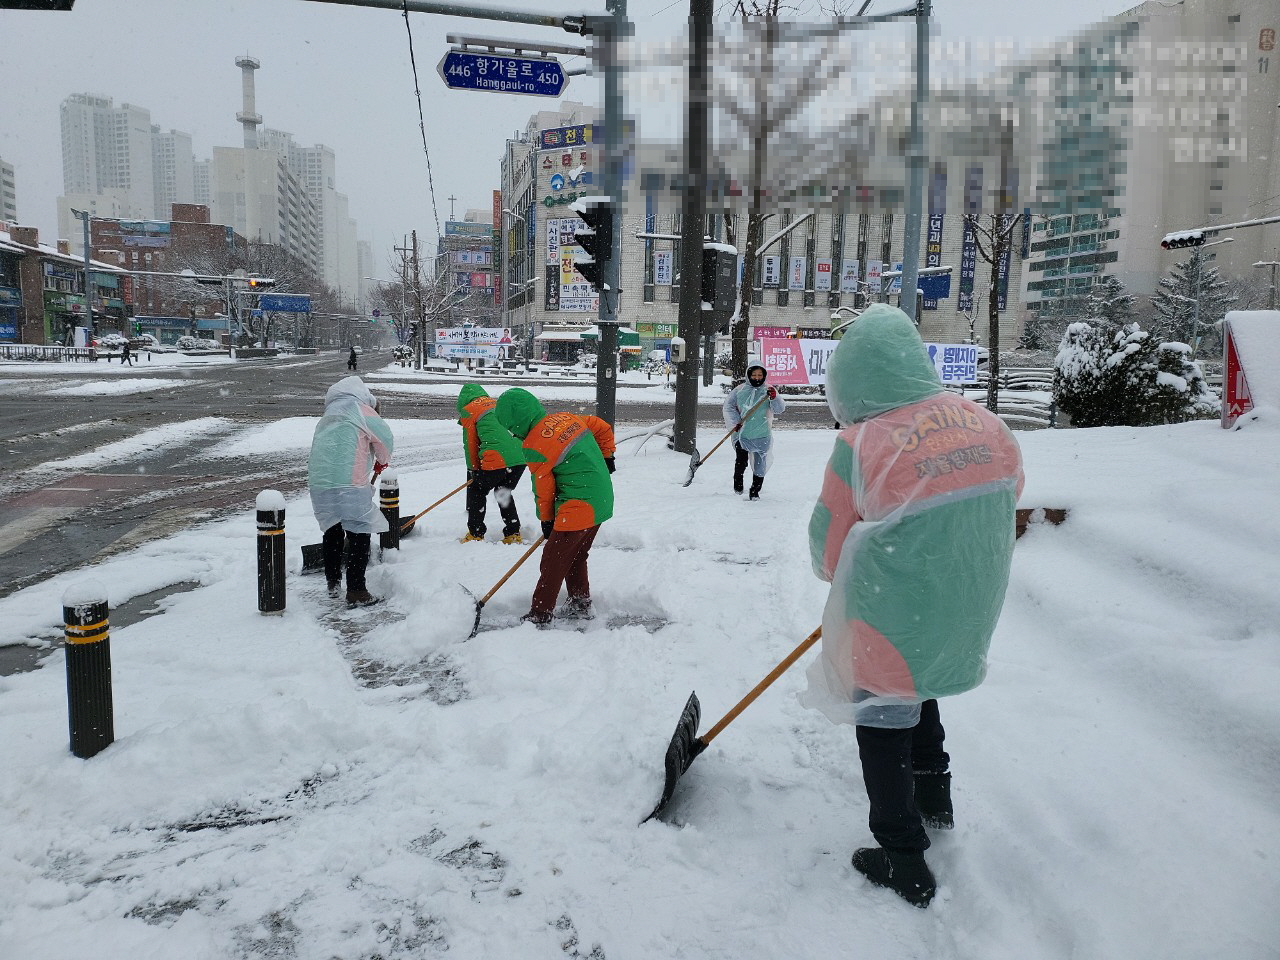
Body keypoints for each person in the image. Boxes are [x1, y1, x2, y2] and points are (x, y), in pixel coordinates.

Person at [802, 304, 1024, 908]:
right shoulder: (987, 423)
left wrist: (843, 570)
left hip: (891, 610)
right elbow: (1001, 500)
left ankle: (903, 858)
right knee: (919, 692)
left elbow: (827, 548)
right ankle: (935, 800)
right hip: (966, 602)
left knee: (882, 723)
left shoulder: (863, 441)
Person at [494, 387, 615, 625]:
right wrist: (607, 456)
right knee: (577, 555)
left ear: (515, 423)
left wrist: (547, 519)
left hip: (579, 505)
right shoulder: (567, 418)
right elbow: (602, 427)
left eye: (510, 428)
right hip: (602, 498)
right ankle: (580, 602)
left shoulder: (534, 445)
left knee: (553, 561)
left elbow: (544, 489)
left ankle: (540, 614)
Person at [308, 376, 395, 607]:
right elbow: (384, 439)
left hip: (319, 484)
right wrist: (382, 460)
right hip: (349, 484)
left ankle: (333, 582)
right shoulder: (361, 409)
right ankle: (356, 590)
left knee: (333, 531)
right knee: (359, 534)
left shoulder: (328, 415)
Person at [457, 383, 527, 544]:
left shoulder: (469, 411)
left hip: (498, 459)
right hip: (519, 458)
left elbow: (470, 445)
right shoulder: (496, 404)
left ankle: (475, 533)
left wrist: (474, 470)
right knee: (503, 492)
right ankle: (513, 532)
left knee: (476, 491)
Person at [723, 363, 785, 499]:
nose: (757, 378)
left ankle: (755, 491)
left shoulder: (769, 390)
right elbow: (729, 407)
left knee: (760, 464)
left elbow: (779, 409)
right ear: (748, 375)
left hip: (762, 433)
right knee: (741, 460)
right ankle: (738, 486)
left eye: (760, 375)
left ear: (764, 376)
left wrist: (774, 397)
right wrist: (735, 423)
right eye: (754, 375)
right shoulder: (739, 390)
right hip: (742, 433)